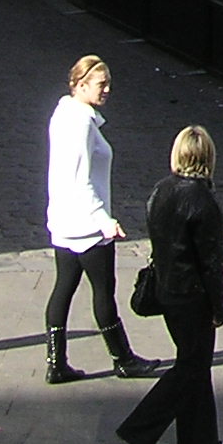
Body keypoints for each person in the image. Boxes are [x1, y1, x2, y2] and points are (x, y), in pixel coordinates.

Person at [44, 55, 164, 384]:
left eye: (108, 82)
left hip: (63, 221)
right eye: (101, 84)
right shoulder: (81, 123)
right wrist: (104, 220)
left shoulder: (63, 113)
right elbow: (80, 178)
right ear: (80, 85)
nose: (107, 89)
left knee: (63, 288)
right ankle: (123, 359)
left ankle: (56, 363)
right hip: (87, 225)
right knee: (103, 291)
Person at [116, 126, 223, 444]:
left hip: (167, 289)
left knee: (195, 362)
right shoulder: (204, 202)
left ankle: (198, 436)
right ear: (208, 158)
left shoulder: (162, 190)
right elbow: (212, 264)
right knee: (191, 367)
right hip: (193, 296)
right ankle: (140, 430)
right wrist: (219, 308)